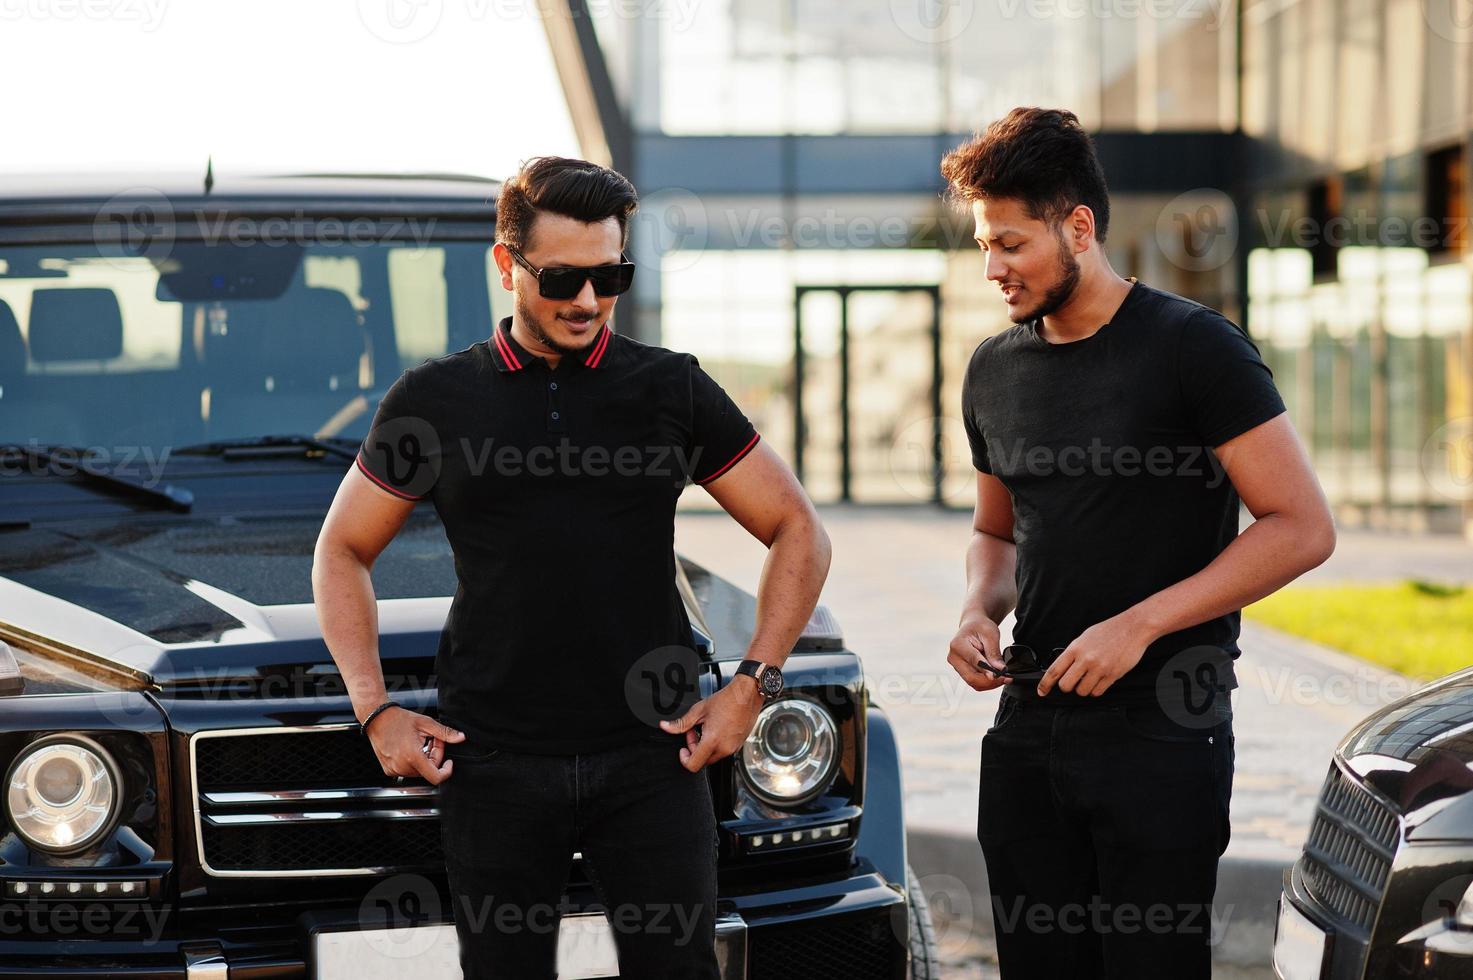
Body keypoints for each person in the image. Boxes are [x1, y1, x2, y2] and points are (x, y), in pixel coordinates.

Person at [311, 156, 831, 979]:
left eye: (609, 275)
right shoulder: (434, 401)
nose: (587, 301)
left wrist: (751, 685)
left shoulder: (670, 388)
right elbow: (343, 549)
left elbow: (796, 528)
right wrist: (374, 710)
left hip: (656, 761)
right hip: (493, 767)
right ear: (506, 264)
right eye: (561, 279)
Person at [940, 108, 1337, 979]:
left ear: (1076, 226)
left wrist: (1139, 625)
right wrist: (977, 607)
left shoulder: (1194, 347)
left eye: (1009, 244)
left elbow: (1301, 527)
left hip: (1163, 726)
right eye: (983, 245)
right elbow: (994, 530)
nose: (991, 268)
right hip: (1027, 721)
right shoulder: (991, 368)